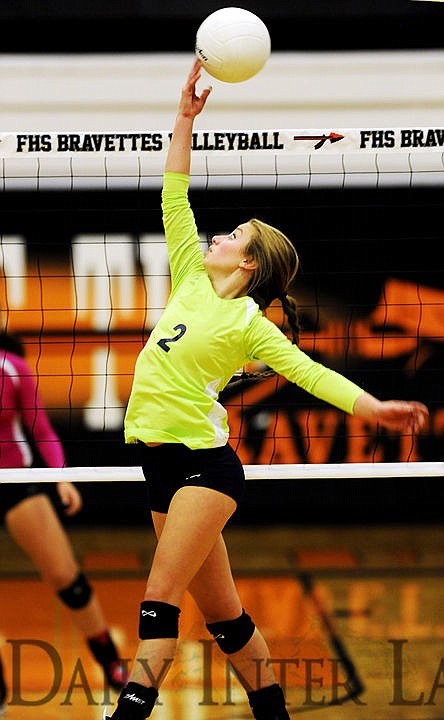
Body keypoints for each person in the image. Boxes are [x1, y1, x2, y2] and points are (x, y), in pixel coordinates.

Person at [106, 59, 429, 720]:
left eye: (234, 236)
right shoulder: (192, 278)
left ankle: (127, 715)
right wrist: (184, 118)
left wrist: (377, 409)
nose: (217, 236)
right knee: (225, 620)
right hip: (159, 465)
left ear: (248, 263)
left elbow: (312, 376)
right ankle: (274, 714)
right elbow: (174, 193)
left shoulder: (250, 325)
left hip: (205, 469)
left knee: (157, 603)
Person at [0, 332, 128, 714]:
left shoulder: (12, 368)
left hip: (14, 483)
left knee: (68, 581)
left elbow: (41, 430)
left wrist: (60, 475)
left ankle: (111, 664)